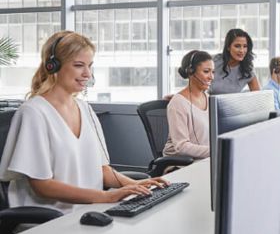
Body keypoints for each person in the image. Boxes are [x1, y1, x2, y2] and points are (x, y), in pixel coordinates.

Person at [0, 31, 167, 215]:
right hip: (49, 219)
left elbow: (102, 170)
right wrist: (105, 197)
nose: (87, 73)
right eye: (79, 65)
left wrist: (136, 185)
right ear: (53, 66)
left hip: (89, 211)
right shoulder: (34, 113)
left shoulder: (84, 109)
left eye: (89, 65)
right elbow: (42, 185)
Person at [163, 50, 214, 159]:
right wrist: (215, 151)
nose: (211, 77)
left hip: (204, 159)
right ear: (191, 72)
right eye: (206, 71)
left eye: (212, 72)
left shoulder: (209, 98)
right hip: (180, 164)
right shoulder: (178, 103)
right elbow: (181, 147)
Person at [210, 28, 260, 95]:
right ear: (228, 47)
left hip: (231, 105)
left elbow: (258, 96)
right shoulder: (214, 61)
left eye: (245, 46)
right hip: (208, 104)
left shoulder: (248, 69)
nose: (242, 51)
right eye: (237, 46)